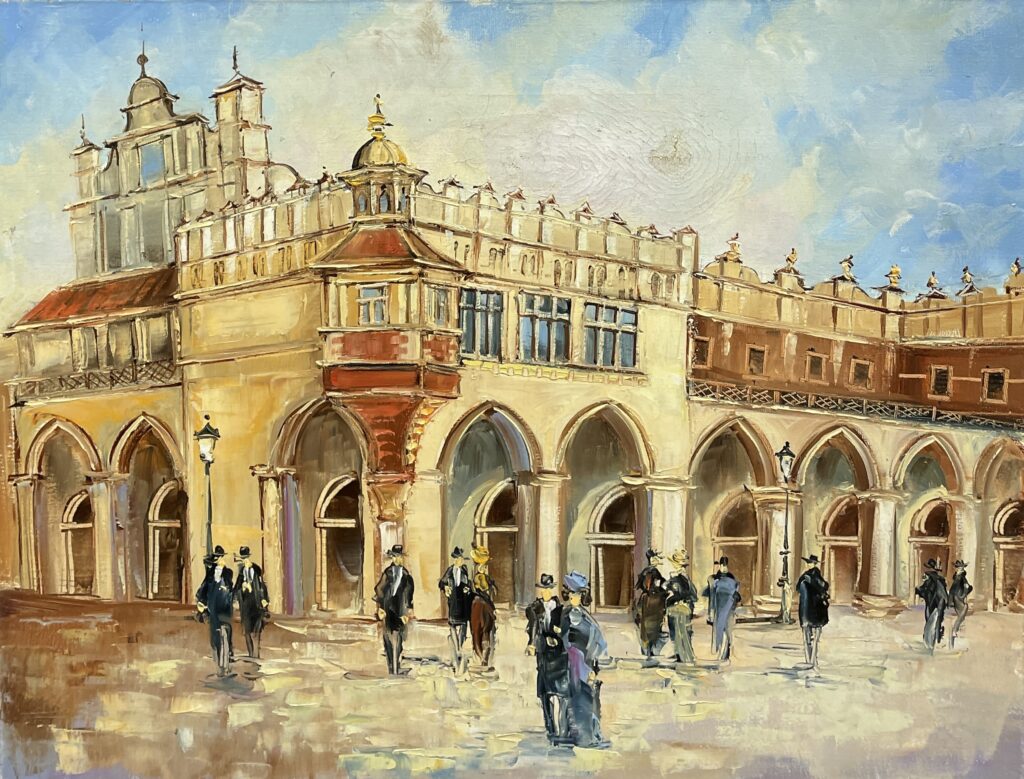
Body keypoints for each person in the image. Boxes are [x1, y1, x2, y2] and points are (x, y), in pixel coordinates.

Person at [561, 571, 609, 748]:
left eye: (578, 594)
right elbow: (563, 641)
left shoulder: (585, 615)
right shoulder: (566, 616)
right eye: (572, 594)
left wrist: (594, 665)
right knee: (578, 699)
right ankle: (581, 737)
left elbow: (597, 640)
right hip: (573, 663)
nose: (575, 598)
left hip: (587, 662)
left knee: (590, 697)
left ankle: (592, 734)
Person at [525, 573, 569, 744]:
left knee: (560, 691)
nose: (546, 592)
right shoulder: (534, 608)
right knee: (544, 691)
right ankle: (550, 726)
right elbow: (533, 628)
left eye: (549, 589)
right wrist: (533, 644)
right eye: (543, 589)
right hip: (543, 652)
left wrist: (559, 636)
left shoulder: (560, 608)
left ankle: (561, 728)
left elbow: (565, 629)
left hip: (558, 653)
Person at [373, 544, 415, 675]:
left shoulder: (406, 575)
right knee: (388, 638)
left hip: (401, 609)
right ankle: (392, 666)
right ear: (392, 558)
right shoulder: (388, 573)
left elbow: (409, 593)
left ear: (402, 558)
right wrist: (381, 606)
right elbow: (379, 589)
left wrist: (409, 609)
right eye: (395, 556)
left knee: (400, 637)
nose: (397, 559)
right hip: (388, 608)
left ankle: (396, 664)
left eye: (399, 557)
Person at [196, 545, 235, 677]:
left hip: (224, 609)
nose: (219, 559)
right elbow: (203, 589)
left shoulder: (228, 573)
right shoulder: (210, 574)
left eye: (220, 557)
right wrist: (201, 602)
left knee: (225, 637)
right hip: (212, 610)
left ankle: (225, 664)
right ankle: (219, 664)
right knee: (215, 639)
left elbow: (230, 588)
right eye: (217, 557)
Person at [438, 546, 473, 672]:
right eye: (460, 559)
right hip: (453, 600)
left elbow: (468, 584)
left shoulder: (464, 571)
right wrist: (445, 588)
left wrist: (468, 589)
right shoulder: (450, 570)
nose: (461, 561)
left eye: (462, 559)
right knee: (453, 624)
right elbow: (441, 583)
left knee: (463, 624)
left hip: (463, 600)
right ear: (455, 559)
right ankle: (457, 646)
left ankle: (460, 646)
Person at [233, 546, 270, 660]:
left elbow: (262, 586)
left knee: (257, 628)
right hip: (246, 604)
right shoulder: (241, 572)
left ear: (249, 557)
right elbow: (236, 588)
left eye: (246, 558)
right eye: (243, 559)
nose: (245, 561)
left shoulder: (256, 569)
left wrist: (264, 599)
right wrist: (242, 588)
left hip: (256, 602)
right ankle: (251, 654)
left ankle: (256, 653)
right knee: (247, 629)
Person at [664, 549, 698, 664]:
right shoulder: (681, 577)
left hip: (680, 607)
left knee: (680, 631)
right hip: (681, 607)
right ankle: (680, 653)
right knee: (680, 631)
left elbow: (683, 593)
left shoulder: (680, 577)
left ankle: (682, 655)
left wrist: (670, 597)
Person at [796, 554, 829, 668]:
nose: (808, 564)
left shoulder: (811, 576)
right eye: (808, 563)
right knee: (812, 639)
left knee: (810, 639)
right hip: (812, 612)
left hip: (810, 612)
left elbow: (824, 586)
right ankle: (811, 661)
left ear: (814, 564)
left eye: (810, 563)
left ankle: (810, 661)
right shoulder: (807, 576)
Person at [633, 549, 668, 660]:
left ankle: (648, 650)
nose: (656, 560)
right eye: (654, 558)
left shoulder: (647, 571)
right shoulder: (652, 572)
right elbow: (654, 586)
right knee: (651, 627)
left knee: (647, 628)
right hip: (652, 602)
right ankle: (650, 650)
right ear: (651, 559)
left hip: (649, 602)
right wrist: (664, 591)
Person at [704, 556, 741, 661]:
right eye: (722, 565)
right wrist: (711, 611)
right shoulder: (714, 579)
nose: (724, 567)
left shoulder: (731, 578)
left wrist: (734, 604)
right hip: (719, 607)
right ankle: (720, 651)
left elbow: (736, 594)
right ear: (719, 565)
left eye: (725, 565)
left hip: (728, 608)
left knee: (727, 629)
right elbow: (712, 596)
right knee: (720, 629)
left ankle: (725, 653)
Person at [470, 545, 498, 669]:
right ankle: (482, 656)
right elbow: (482, 589)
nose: (485, 567)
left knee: (483, 630)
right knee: (479, 631)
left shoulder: (483, 576)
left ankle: (483, 657)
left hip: (483, 605)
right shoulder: (478, 577)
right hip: (480, 605)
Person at [915, 558, 949, 653]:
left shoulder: (930, 581)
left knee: (930, 623)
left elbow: (925, 592)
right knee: (936, 622)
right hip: (939, 604)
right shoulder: (940, 580)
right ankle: (935, 639)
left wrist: (918, 590)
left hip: (933, 605)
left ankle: (930, 643)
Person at [948, 559, 973, 648]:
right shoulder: (959, 577)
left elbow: (966, 587)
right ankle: (955, 630)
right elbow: (965, 587)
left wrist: (967, 590)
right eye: (959, 568)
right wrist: (965, 592)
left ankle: (954, 635)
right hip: (958, 598)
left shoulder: (959, 577)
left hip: (957, 597)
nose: (960, 569)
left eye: (961, 568)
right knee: (963, 611)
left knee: (961, 615)